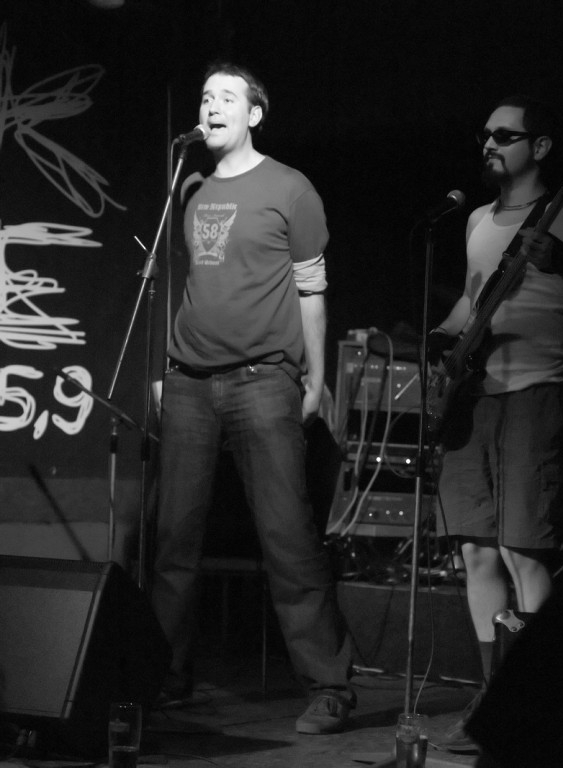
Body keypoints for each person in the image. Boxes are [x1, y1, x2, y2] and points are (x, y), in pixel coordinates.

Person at [150, 60, 354, 735]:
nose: (211, 106)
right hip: (188, 382)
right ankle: (163, 676)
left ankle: (329, 686)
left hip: (263, 380)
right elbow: (193, 283)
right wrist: (167, 367)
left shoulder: (290, 189)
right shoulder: (190, 188)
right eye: (205, 96)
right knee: (174, 539)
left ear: (254, 114)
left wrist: (315, 377)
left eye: (226, 97)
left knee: (287, 536)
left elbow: (311, 291)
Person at [428, 94, 563, 752]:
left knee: (525, 551)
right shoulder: (478, 220)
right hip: (477, 394)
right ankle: (493, 700)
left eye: (504, 135)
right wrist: (436, 336)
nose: (488, 143)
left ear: (539, 147)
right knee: (476, 550)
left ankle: (541, 705)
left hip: (539, 390)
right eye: (485, 134)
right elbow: (472, 299)